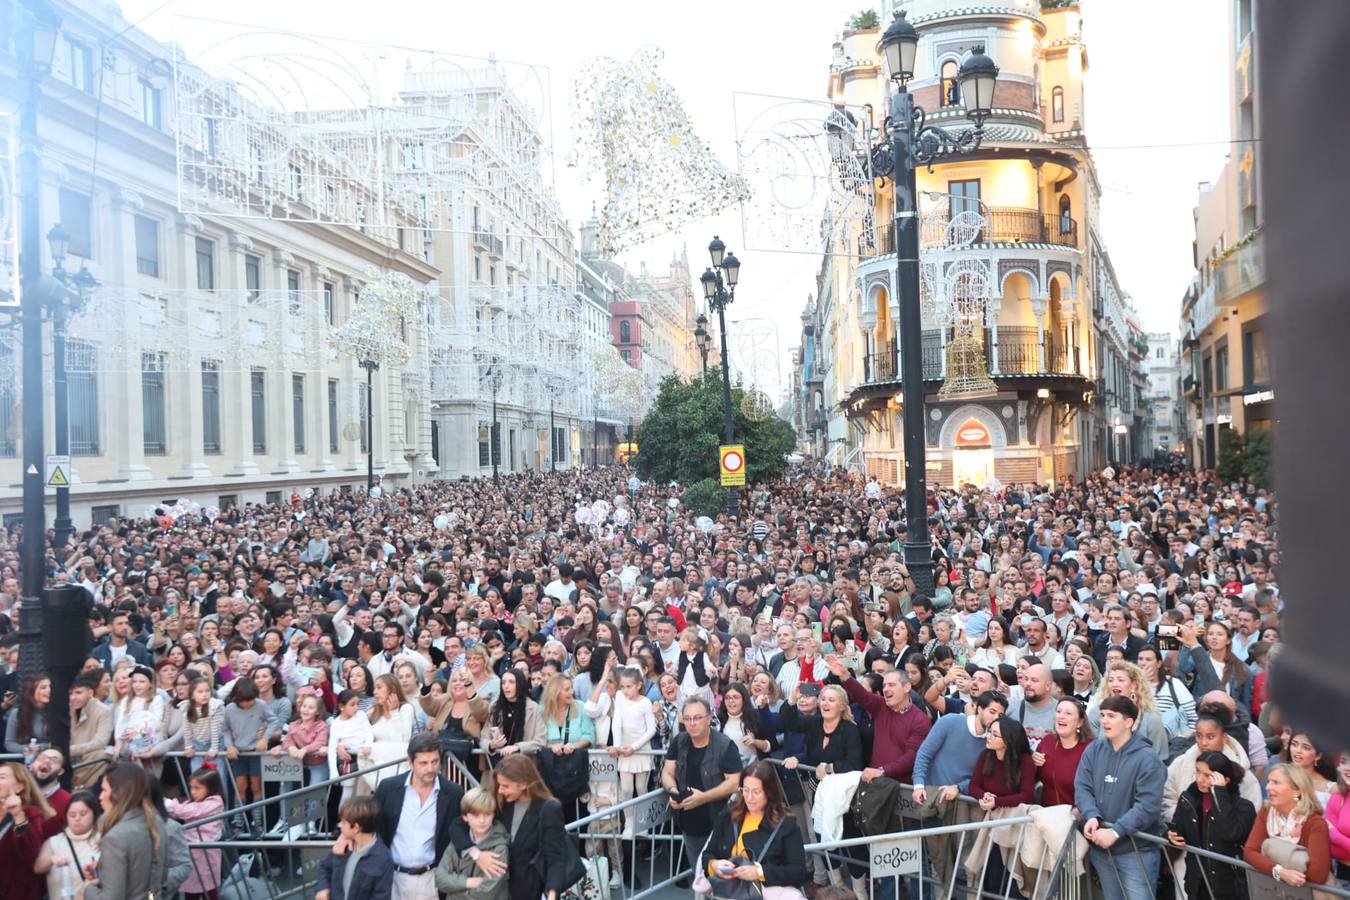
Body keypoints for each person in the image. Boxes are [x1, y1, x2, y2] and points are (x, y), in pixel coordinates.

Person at [1074, 695, 1167, 900]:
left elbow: (1148, 806)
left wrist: (1116, 832)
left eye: (1111, 716)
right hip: (1102, 849)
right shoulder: (1094, 749)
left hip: (1136, 852)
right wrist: (1091, 816)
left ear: (1129, 722)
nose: (1104, 721)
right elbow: (1082, 786)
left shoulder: (1147, 759)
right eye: (1103, 715)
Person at [458, 753, 580, 900]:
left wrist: (552, 894)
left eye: (505, 786)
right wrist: (476, 854)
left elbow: (555, 857)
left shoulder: (549, 809)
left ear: (523, 784)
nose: (500, 790)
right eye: (499, 785)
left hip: (529, 892)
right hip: (496, 891)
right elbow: (457, 826)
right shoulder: (500, 801)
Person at [373, 733, 465, 900]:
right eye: (423, 763)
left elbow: (460, 833)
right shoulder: (388, 788)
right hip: (393, 878)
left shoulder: (453, 793)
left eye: (435, 762)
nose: (430, 768)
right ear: (410, 762)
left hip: (432, 879)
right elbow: (373, 828)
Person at [699, 760, 808, 893]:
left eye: (756, 792)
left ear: (769, 792)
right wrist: (714, 865)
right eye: (745, 790)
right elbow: (708, 854)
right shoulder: (727, 816)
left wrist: (760, 872)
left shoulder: (786, 824)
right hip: (728, 892)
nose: (749, 798)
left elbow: (798, 872)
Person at [661, 696, 743, 872]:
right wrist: (673, 792)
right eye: (688, 718)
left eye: (697, 717)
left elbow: (734, 783)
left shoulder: (725, 745)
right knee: (699, 876)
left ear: (708, 719)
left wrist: (703, 798)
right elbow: (667, 772)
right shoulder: (679, 741)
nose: (692, 723)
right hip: (688, 825)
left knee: (721, 878)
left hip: (719, 826)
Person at [1165, 751, 1257, 900]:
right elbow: (1178, 827)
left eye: (1207, 775)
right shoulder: (1188, 798)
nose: (1199, 779)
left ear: (1225, 780)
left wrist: (1219, 792)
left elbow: (1230, 832)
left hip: (1230, 885)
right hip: (1198, 881)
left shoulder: (1244, 808)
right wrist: (1171, 835)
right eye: (1197, 771)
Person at [827, 654, 931, 784]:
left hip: (900, 789)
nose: (886, 689)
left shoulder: (920, 720)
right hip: (874, 783)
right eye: (884, 685)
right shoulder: (881, 706)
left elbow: (911, 757)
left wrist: (882, 771)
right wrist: (844, 674)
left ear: (906, 687)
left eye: (891, 685)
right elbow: (862, 695)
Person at [79, 762, 163, 900]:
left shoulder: (115, 838)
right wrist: (103, 868)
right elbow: (153, 881)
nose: (100, 797)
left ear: (119, 793)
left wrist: (88, 889)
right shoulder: (156, 821)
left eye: (104, 790)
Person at [1162, 708, 1263, 822]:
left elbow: (1250, 815)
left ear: (1224, 738)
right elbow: (1168, 799)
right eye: (1199, 736)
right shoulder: (1179, 764)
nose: (1204, 742)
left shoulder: (1243, 774)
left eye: (1210, 737)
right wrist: (1184, 825)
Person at [1244, 763, 1333, 890]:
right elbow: (1249, 852)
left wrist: (1268, 862)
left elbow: (1318, 875)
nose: (1268, 787)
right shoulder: (1266, 812)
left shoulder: (1315, 823)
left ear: (1297, 790)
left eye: (1276, 783)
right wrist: (1280, 872)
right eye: (1268, 781)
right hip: (1275, 891)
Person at [433, 785, 510, 900]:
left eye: (487, 814)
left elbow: (487, 893)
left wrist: (454, 890)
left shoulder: (499, 847)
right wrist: (469, 882)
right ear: (465, 817)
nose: (482, 820)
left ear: (493, 815)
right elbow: (439, 879)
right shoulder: (458, 842)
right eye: (476, 815)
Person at [316, 795, 396, 900]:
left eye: (344, 822)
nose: (339, 825)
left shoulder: (383, 860)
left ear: (356, 828)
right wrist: (323, 887)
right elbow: (324, 867)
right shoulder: (343, 845)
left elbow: (380, 896)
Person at [166, 765, 227, 900]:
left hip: (206, 851)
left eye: (197, 788)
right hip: (194, 850)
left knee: (209, 889)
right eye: (191, 788)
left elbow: (185, 811)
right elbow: (184, 809)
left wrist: (168, 804)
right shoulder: (198, 801)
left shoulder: (214, 802)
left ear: (211, 788)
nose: (193, 792)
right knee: (191, 888)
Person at [35, 789, 101, 900]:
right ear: (66, 816)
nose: (77, 818)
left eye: (83, 814)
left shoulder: (104, 840)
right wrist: (51, 859)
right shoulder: (54, 842)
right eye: (72, 814)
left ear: (94, 814)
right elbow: (38, 867)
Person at [0, 760, 48, 900]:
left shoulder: (30, 814)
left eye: (1, 777)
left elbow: (30, 852)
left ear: (19, 787)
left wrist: (17, 815)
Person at [1033, 698, 1093, 807]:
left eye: (1068, 713)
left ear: (1080, 722)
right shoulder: (1047, 742)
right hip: (1046, 815)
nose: (1061, 716)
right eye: (1058, 711)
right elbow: (1031, 780)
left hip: (1077, 817)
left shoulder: (1091, 748)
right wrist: (1032, 764)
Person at [363, 674, 417, 792]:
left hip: (397, 767)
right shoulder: (373, 711)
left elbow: (403, 740)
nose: (374, 692)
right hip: (375, 766)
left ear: (392, 690)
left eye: (379, 687)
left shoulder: (406, 708)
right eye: (374, 688)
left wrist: (394, 713)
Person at [68, 673, 113, 790]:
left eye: (78, 693)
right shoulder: (65, 709)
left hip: (91, 759)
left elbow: (101, 742)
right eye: (70, 693)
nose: (73, 697)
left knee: (102, 754)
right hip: (68, 758)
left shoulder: (104, 711)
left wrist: (71, 750)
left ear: (90, 693)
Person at [5, 676, 51, 757]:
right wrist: (26, 748)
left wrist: (42, 747)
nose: (49, 690)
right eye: (43, 688)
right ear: (31, 692)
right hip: (26, 759)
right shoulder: (17, 713)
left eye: (51, 686)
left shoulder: (58, 712)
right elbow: (9, 743)